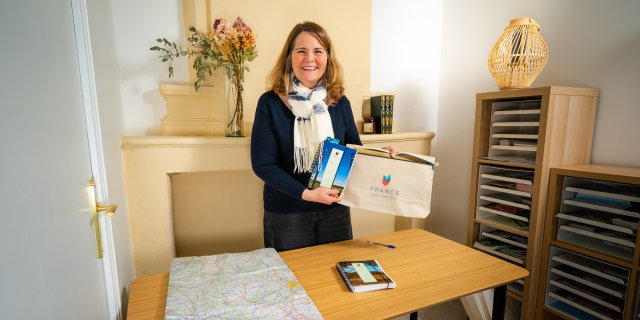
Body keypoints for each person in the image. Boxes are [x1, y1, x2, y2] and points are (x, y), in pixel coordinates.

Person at [250, 21, 363, 252]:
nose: (309, 58)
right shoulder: (270, 103)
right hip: (287, 214)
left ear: (327, 58)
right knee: (291, 282)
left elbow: (355, 151)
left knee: (335, 278)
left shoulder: (339, 101)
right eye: (301, 51)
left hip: (335, 211)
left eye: (318, 51)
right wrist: (307, 194)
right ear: (289, 57)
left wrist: (384, 157)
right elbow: (263, 165)